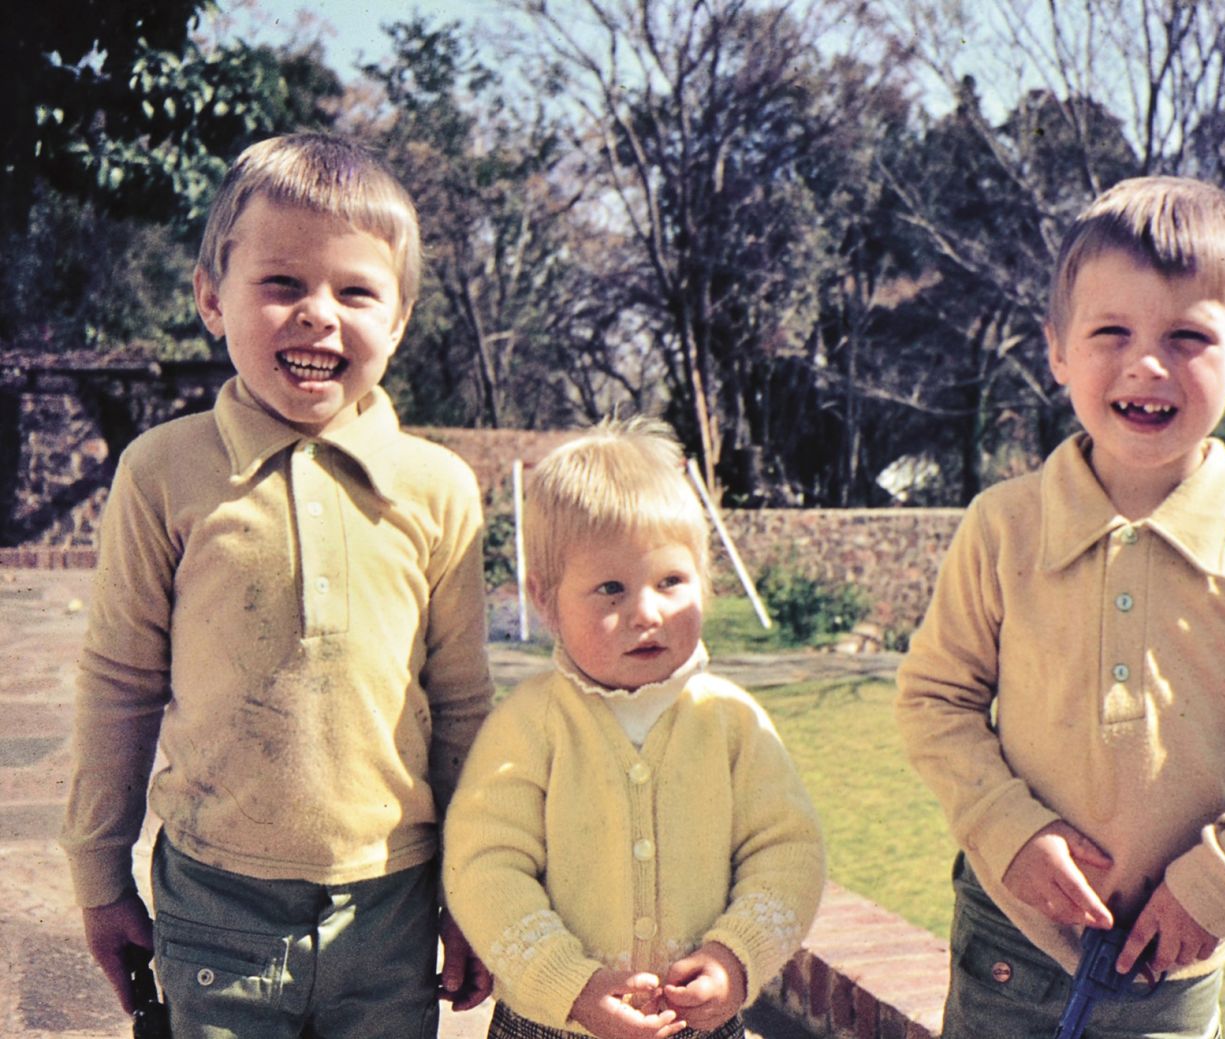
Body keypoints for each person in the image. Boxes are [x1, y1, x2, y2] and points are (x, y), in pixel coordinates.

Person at [894, 175, 1225, 1039]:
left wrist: (1219, 883)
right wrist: (1007, 829)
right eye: (1111, 332)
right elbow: (933, 701)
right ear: (1058, 350)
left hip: (1172, 963)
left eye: (1187, 336)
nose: (1146, 363)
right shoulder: (1001, 527)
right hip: (1006, 942)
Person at [60, 132, 495, 1036]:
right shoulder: (163, 472)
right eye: (282, 284)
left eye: (356, 291)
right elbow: (120, 681)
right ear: (212, 299)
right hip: (216, 900)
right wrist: (99, 874)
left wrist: (478, 886)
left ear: (401, 317)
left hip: (392, 901)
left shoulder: (437, 489)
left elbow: (460, 702)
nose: (318, 315)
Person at [443, 417, 826, 1039]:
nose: (646, 613)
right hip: (553, 1023)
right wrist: (569, 983)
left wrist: (736, 957)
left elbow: (787, 851)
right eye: (611, 589)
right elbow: (485, 866)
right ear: (546, 601)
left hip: (698, 1022)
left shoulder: (732, 722)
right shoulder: (528, 725)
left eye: (671, 582)